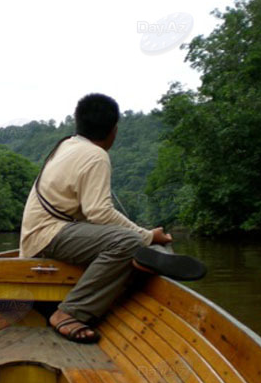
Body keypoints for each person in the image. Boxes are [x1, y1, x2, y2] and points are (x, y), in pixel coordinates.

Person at [18, 93, 206, 343]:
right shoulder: (96, 156)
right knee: (127, 242)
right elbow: (99, 212)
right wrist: (147, 235)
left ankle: (135, 263)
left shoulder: (66, 145)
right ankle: (68, 313)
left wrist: (139, 234)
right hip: (47, 237)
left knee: (128, 241)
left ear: (79, 122)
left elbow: (90, 213)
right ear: (113, 130)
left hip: (39, 236)